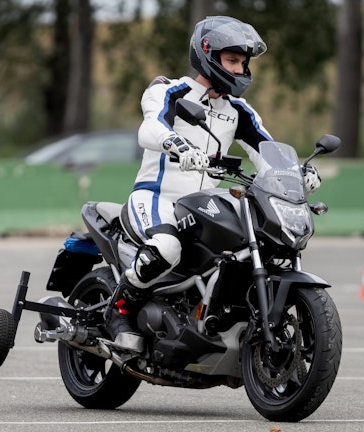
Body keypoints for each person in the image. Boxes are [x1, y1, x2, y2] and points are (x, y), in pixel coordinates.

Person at [105, 16, 322, 351]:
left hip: (202, 204)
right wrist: (178, 145)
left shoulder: (239, 110)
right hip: (156, 197)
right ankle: (118, 311)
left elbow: (267, 151)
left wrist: (297, 172)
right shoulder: (169, 91)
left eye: (243, 62)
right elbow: (150, 129)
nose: (239, 69)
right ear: (207, 54)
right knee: (167, 248)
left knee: (238, 250)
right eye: (232, 60)